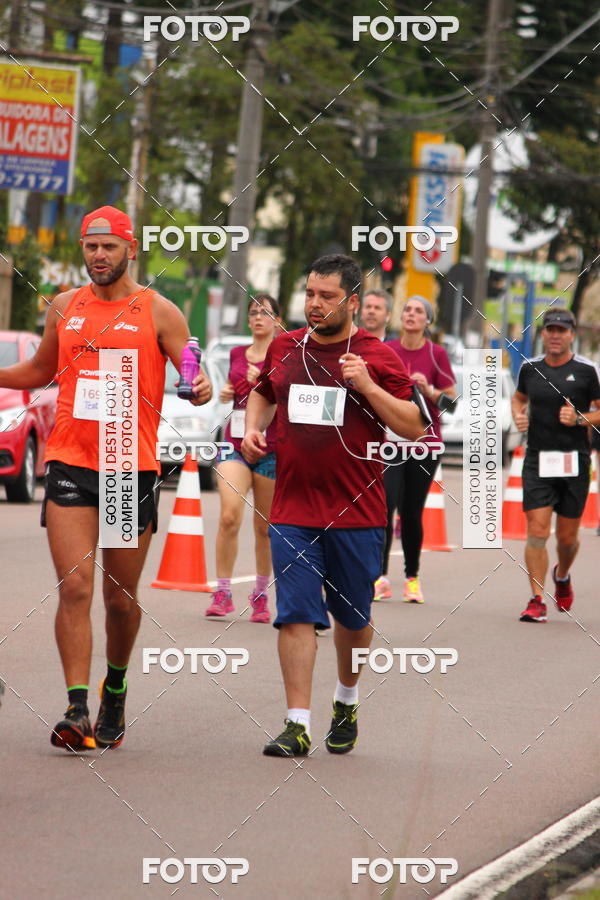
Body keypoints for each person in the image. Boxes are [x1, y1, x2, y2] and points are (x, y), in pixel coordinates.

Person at [0, 206, 212, 752]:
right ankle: (76, 707)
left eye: (109, 247)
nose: (98, 256)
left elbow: (191, 368)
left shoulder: (160, 312)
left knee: (119, 598)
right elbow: (40, 371)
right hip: (69, 460)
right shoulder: (64, 307)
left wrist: (199, 384)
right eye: (90, 247)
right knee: (75, 587)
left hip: (128, 467)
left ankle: (113, 689)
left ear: (130, 248)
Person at [241, 254, 425, 758]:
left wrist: (365, 385)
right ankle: (296, 722)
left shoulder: (375, 354)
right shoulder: (285, 346)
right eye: (309, 293)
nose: (315, 304)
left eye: (326, 296)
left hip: (358, 512)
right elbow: (261, 393)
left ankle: (346, 699)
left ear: (350, 301)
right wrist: (252, 428)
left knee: (353, 618)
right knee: (295, 612)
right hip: (293, 509)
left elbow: (413, 425)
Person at [512, 308, 600, 622]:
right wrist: (518, 415)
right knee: (536, 532)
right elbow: (519, 398)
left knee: (566, 539)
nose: (555, 335)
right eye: (550, 329)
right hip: (537, 459)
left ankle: (562, 575)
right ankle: (536, 599)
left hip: (575, 461)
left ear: (572, 335)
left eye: (561, 330)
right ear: (544, 333)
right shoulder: (530, 368)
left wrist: (579, 418)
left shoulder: (588, 371)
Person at [374, 295, 456, 603]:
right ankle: (379, 578)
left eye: (418, 311)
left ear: (427, 321)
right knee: (385, 507)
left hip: (425, 443)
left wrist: (429, 390)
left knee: (411, 512)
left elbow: (452, 403)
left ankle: (412, 577)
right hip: (390, 442)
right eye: (407, 309)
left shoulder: (437, 354)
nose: (410, 314)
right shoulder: (386, 350)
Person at [205, 294, 280, 622]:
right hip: (235, 444)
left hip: (271, 448)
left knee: (264, 527)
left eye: (265, 312)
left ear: (277, 320)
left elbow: (285, 402)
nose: (258, 317)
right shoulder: (236, 354)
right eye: (253, 312)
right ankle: (222, 591)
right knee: (229, 517)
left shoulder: (285, 355)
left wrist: (261, 385)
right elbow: (233, 392)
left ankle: (261, 594)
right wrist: (227, 392)